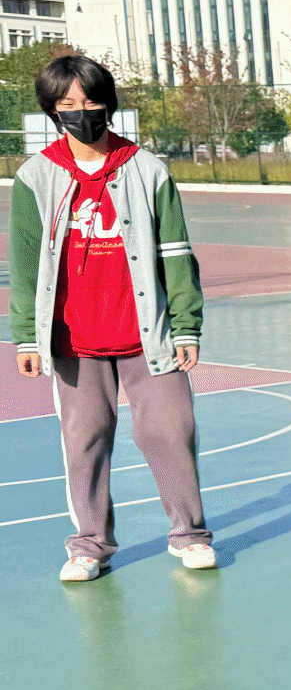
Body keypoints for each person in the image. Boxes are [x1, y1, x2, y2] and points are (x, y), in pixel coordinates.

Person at [9, 52, 213, 581]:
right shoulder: (36, 176)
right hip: (74, 340)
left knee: (171, 431)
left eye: (92, 101)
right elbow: (26, 262)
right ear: (53, 111)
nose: (82, 112)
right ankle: (90, 545)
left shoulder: (147, 169)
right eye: (68, 104)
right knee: (85, 442)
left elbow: (176, 252)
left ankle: (189, 535)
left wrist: (186, 322)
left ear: (109, 104)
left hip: (149, 333)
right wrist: (27, 337)